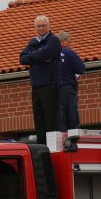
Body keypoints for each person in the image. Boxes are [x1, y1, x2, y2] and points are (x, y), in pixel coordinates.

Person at [19, 15, 61, 144]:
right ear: (35, 27)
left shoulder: (53, 41)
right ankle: (42, 147)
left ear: (49, 26)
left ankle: (53, 146)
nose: (41, 28)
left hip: (50, 84)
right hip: (36, 85)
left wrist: (33, 56)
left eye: (43, 25)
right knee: (39, 119)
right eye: (38, 26)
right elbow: (22, 59)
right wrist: (39, 57)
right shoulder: (32, 42)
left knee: (51, 118)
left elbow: (46, 54)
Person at [57, 31, 85, 132]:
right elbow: (81, 68)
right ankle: (72, 141)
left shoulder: (50, 55)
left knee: (60, 118)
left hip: (54, 91)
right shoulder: (68, 53)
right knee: (72, 117)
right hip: (68, 90)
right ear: (63, 42)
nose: (70, 44)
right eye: (69, 42)